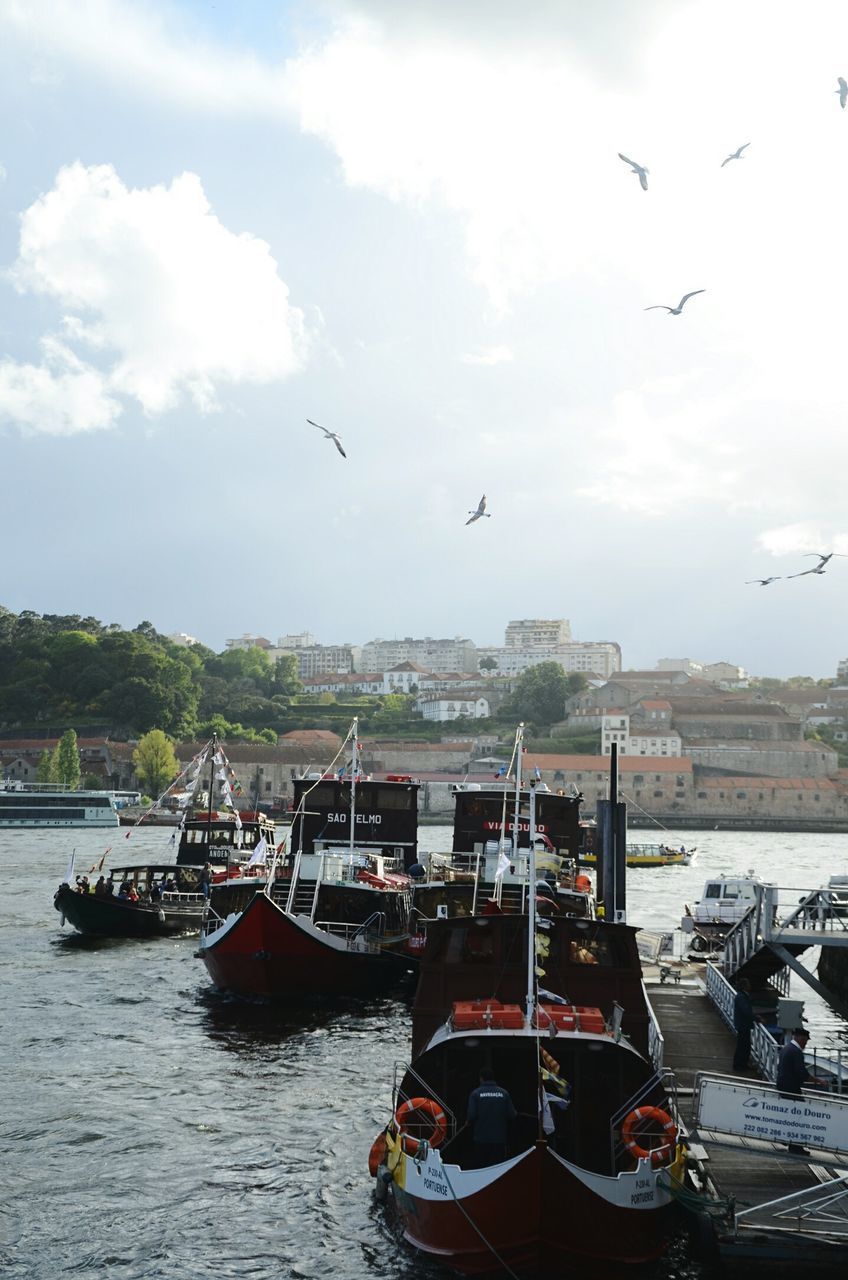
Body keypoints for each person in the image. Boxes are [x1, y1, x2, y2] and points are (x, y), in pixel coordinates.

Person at [776, 1027, 827, 1154]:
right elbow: (802, 1073)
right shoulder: (796, 1052)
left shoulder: (786, 1049)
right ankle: (795, 1146)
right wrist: (819, 1081)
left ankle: (786, 1138)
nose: (805, 1043)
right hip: (791, 1088)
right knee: (799, 1115)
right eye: (805, 1040)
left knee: (789, 1115)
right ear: (800, 1038)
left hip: (783, 1086)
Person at [466, 1068, 516, 1167]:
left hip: (481, 1139)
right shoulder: (504, 1093)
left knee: (481, 1168)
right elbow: (512, 1115)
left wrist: (468, 1122)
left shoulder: (475, 1094)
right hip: (499, 1140)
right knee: (497, 1169)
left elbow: (471, 1115)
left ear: (481, 1079)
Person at [732, 978, 756, 1072]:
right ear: (744, 986)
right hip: (743, 1025)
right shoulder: (741, 997)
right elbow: (746, 1011)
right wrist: (756, 1018)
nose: (750, 986)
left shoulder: (741, 996)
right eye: (748, 984)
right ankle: (739, 1065)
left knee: (744, 1046)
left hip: (742, 1024)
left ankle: (742, 1064)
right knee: (743, 1046)